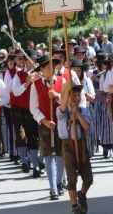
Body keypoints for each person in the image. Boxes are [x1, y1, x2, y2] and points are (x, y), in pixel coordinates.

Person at [30, 55, 65, 200]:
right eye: (49, 66)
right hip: (46, 125)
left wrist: (57, 95)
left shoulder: (63, 81)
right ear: (42, 69)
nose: (53, 69)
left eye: (54, 66)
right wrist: (44, 121)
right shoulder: (35, 84)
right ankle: (53, 188)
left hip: (62, 123)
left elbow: (68, 101)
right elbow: (33, 108)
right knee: (49, 154)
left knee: (61, 154)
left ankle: (60, 182)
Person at [57, 82, 93, 214]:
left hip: (82, 145)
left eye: (78, 95)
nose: (77, 98)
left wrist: (77, 112)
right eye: (74, 95)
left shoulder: (84, 111)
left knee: (88, 179)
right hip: (68, 146)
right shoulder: (62, 112)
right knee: (71, 178)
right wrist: (67, 91)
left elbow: (87, 127)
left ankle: (82, 195)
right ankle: (74, 207)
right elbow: (62, 109)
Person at [12, 49, 43, 177]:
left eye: (35, 60)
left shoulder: (41, 73)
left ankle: (41, 161)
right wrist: (26, 84)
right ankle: (35, 166)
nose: (33, 62)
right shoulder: (18, 75)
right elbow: (15, 92)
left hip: (42, 108)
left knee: (43, 137)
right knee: (31, 138)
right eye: (31, 60)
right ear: (24, 62)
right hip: (27, 110)